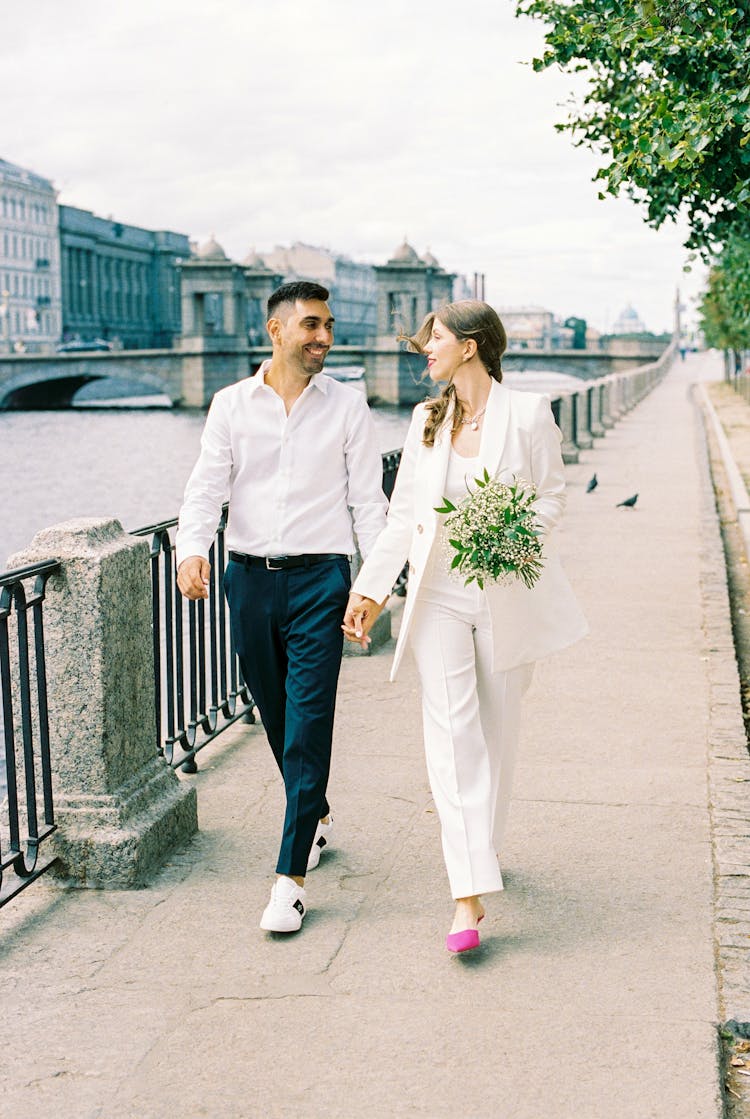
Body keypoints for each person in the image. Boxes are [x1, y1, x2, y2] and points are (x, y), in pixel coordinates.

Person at [343, 300, 587, 954]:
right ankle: (467, 892)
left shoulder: (529, 414)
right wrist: (369, 588)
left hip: (506, 593)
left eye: (437, 339)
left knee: (496, 734)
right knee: (452, 735)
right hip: (439, 598)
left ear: (472, 345)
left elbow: (552, 497)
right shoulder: (425, 418)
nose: (427, 350)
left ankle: (484, 850)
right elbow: (402, 518)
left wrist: (511, 537)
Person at [176, 281, 388, 935]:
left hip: (322, 580)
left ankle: (289, 880)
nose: (324, 337)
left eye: (327, 326)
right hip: (248, 581)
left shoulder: (349, 407)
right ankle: (316, 810)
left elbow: (367, 504)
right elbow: (206, 485)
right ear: (277, 330)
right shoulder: (230, 405)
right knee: (274, 715)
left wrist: (373, 585)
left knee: (308, 724)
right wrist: (190, 549)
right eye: (312, 326)